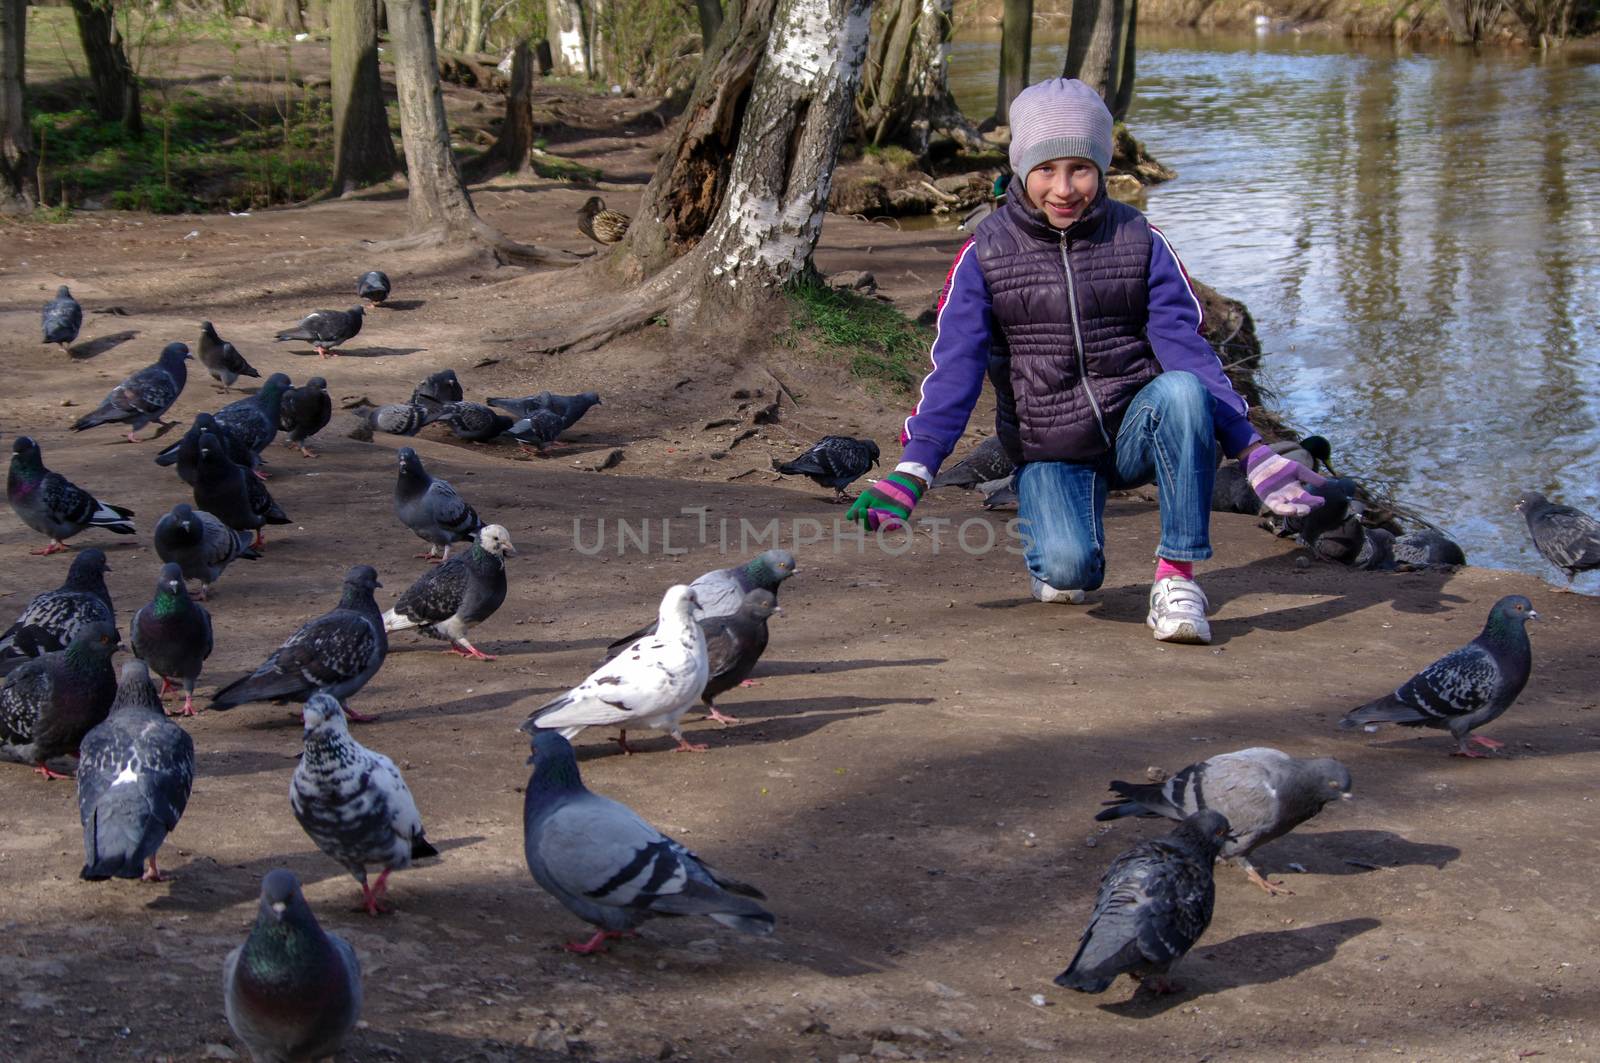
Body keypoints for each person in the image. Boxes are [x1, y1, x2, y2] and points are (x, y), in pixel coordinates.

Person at [846, 78, 1325, 646]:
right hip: (1053, 447)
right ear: (1022, 168)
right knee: (1071, 574)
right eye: (1047, 169)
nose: (1064, 188)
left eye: (1081, 168)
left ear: (1102, 167)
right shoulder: (984, 254)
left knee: (1182, 392)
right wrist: (915, 469)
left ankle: (1178, 578)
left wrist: (1251, 449)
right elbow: (955, 367)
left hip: (1135, 431)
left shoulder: (1140, 238)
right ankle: (1057, 540)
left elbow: (1187, 348)